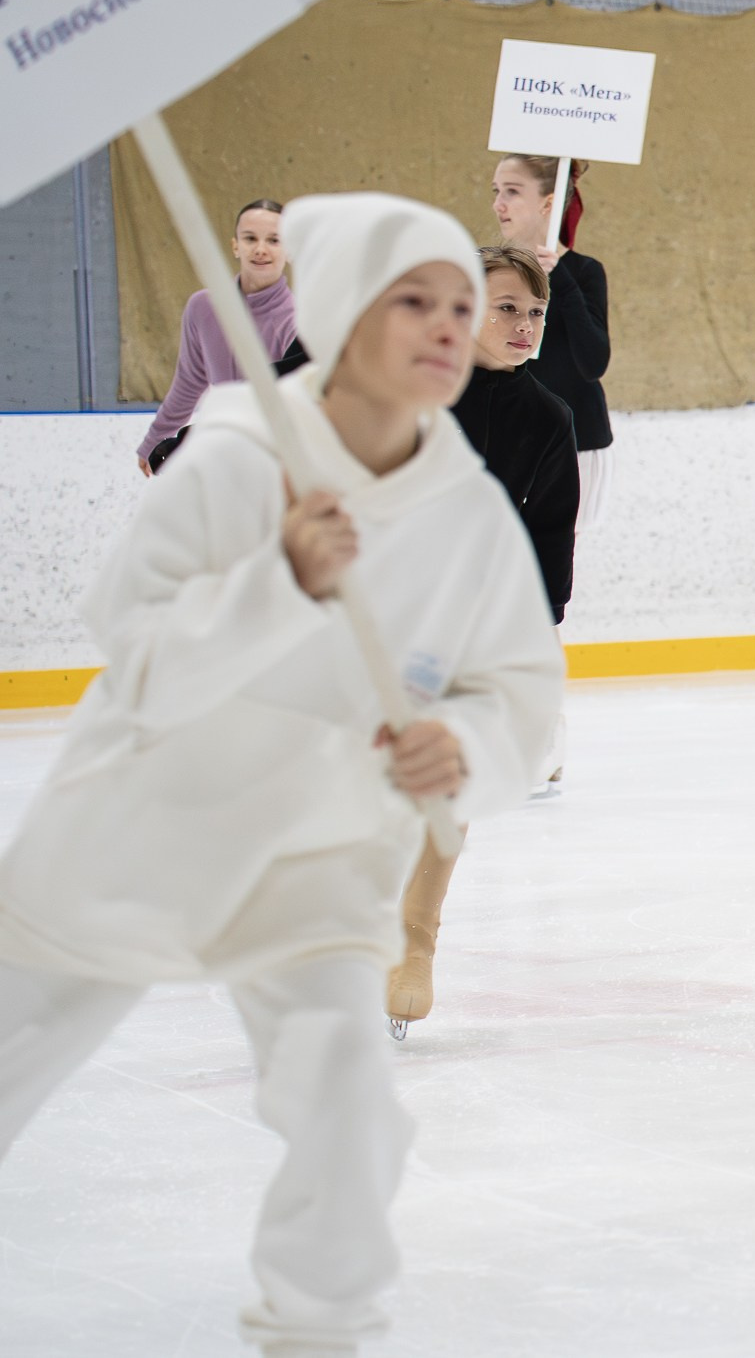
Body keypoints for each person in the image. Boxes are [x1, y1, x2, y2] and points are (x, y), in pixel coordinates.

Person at [0, 193, 565, 1356]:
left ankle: (315, 1332)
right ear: (345, 308)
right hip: (141, 824)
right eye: (416, 297)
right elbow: (134, 645)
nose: (452, 323)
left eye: (465, 304)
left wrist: (464, 745)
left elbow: (521, 689)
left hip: (315, 853)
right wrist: (278, 583)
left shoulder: (465, 506)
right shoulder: (236, 453)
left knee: (349, 1112)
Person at [386, 243, 580, 1038]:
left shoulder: (547, 418)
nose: (525, 325)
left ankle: (413, 944)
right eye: (507, 307)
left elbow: (548, 545)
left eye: (535, 312)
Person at [137, 198, 304, 475]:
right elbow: (190, 380)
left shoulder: (301, 320)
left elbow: (284, 396)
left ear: (289, 249)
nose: (260, 249)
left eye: (274, 240)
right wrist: (158, 437)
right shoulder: (203, 307)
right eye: (250, 238)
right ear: (235, 245)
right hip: (223, 446)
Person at [491, 154, 612, 531]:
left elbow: (593, 363)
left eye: (512, 191)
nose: (498, 204)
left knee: (556, 562)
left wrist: (558, 277)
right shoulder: (492, 271)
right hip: (506, 436)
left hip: (574, 442)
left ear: (548, 202)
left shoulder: (583, 272)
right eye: (496, 191)